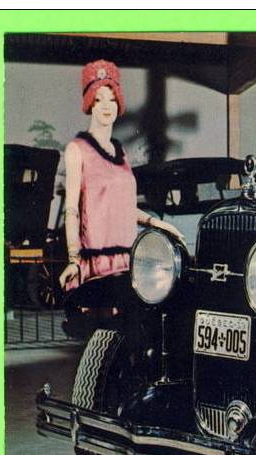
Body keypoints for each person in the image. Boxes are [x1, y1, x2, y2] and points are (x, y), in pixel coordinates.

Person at [58, 60, 183, 331]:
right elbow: (72, 210)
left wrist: (156, 223)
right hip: (98, 265)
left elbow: (124, 207)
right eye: (100, 98)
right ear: (89, 102)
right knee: (104, 342)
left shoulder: (120, 152)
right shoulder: (77, 149)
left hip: (129, 262)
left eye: (113, 99)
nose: (106, 106)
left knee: (136, 337)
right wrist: (73, 260)